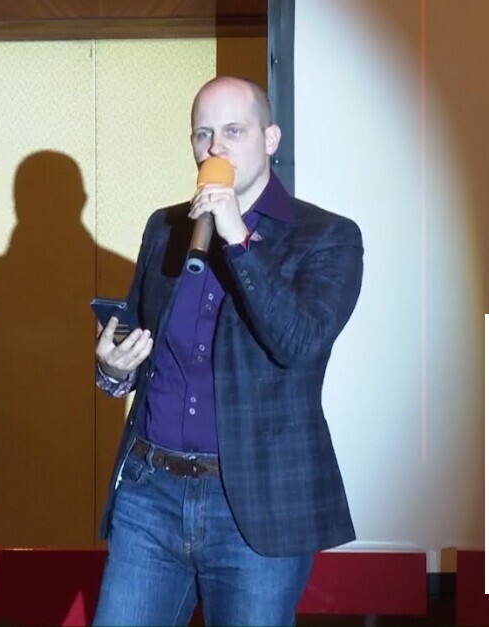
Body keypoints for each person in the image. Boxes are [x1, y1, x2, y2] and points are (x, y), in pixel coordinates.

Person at [92, 75, 364, 626]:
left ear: (271, 139)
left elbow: (299, 342)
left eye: (233, 131)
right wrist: (113, 369)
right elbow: (141, 338)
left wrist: (239, 238)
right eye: (203, 134)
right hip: (151, 493)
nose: (214, 148)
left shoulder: (327, 236)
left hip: (255, 504)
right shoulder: (166, 227)